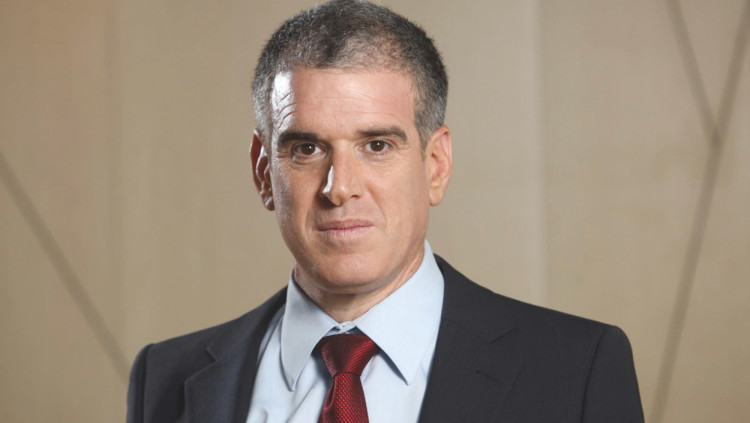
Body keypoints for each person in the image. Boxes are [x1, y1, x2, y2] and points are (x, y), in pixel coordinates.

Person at [126, 1, 644, 422]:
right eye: (307, 149)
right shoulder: (165, 380)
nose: (340, 188)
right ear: (264, 172)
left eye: (376, 145)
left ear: (436, 165)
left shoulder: (576, 370)